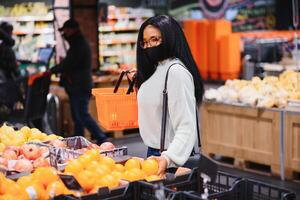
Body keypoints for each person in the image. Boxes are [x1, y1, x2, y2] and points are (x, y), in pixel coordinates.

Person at [136, 15, 204, 175]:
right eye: (145, 42)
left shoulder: (176, 73)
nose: (149, 46)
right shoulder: (157, 68)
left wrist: (168, 158)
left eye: (155, 40)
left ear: (169, 38)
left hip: (171, 158)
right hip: (154, 154)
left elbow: (186, 126)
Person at [50, 19, 107, 144]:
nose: (64, 33)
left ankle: (101, 137)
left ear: (72, 30)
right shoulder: (77, 42)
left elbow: (68, 63)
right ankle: (79, 141)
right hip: (78, 85)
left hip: (80, 86)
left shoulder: (79, 44)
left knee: (82, 115)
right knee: (78, 117)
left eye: (65, 31)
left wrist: (51, 71)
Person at [0, 22, 22, 117]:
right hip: (7, 86)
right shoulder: (7, 48)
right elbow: (12, 68)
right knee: (9, 113)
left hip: (4, 86)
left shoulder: (2, 47)